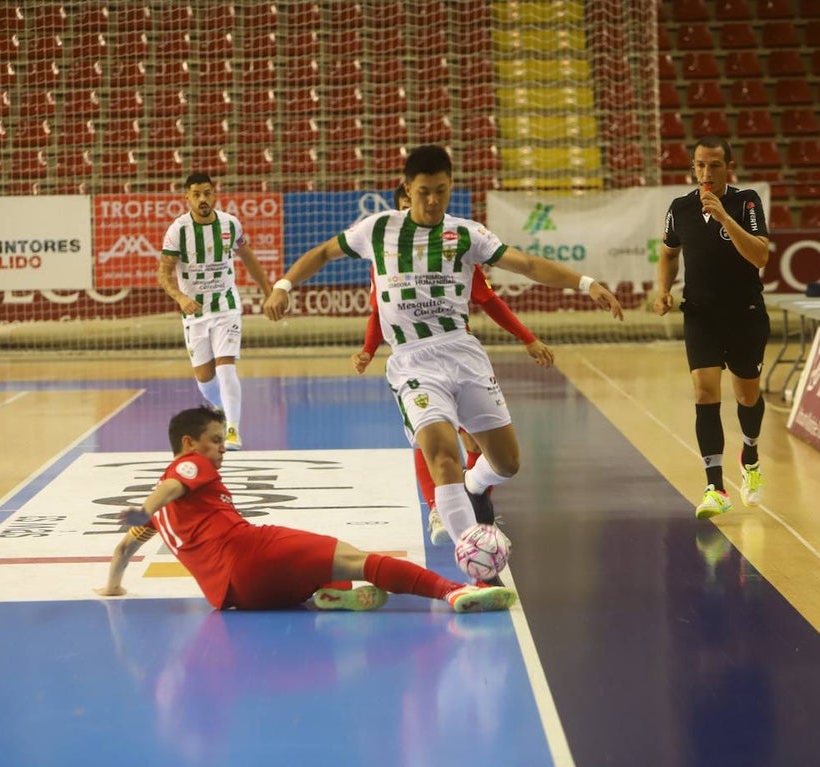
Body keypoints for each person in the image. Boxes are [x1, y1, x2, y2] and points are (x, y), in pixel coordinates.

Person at [264, 145, 624, 580]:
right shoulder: (377, 229)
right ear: (406, 189)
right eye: (422, 192)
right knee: (443, 457)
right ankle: (475, 563)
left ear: (450, 186)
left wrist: (586, 284)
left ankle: (476, 487)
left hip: (463, 354)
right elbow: (322, 253)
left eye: (440, 191)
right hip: (413, 363)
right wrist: (284, 284)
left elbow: (527, 264)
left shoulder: (466, 234)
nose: (432, 201)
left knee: (507, 463)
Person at [94, 406, 517, 613]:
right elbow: (171, 484)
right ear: (189, 443)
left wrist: (113, 586)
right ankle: (454, 591)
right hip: (251, 551)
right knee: (359, 558)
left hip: (235, 597)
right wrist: (141, 507)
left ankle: (331, 594)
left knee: (317, 567)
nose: (222, 449)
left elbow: (122, 552)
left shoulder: (160, 519)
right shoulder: (190, 465)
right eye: (216, 440)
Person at [352, 182, 555, 546]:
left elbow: (490, 301)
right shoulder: (382, 254)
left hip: (458, 359)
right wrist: (368, 349)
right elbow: (377, 310)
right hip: (415, 364)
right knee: (428, 438)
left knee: (480, 443)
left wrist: (528, 337)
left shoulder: (452, 247)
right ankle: (437, 507)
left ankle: (477, 498)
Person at [653, 136, 770, 519]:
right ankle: (715, 486)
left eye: (715, 165)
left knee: (747, 395)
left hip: (744, 313)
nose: (706, 172)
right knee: (705, 394)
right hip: (700, 314)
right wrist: (664, 290)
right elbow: (669, 254)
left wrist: (723, 217)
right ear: (693, 167)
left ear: (728, 166)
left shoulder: (746, 201)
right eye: (700, 165)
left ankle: (750, 455)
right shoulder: (680, 208)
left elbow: (760, 255)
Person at [158, 173, 273, 450]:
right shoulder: (178, 230)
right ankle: (222, 408)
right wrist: (180, 297)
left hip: (226, 306)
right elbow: (163, 272)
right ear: (187, 197)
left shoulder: (230, 224)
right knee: (204, 378)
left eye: (207, 193)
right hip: (195, 312)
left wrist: (270, 292)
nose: (203, 199)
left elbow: (247, 257)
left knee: (226, 366)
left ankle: (232, 430)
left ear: (215, 194)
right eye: (196, 194)